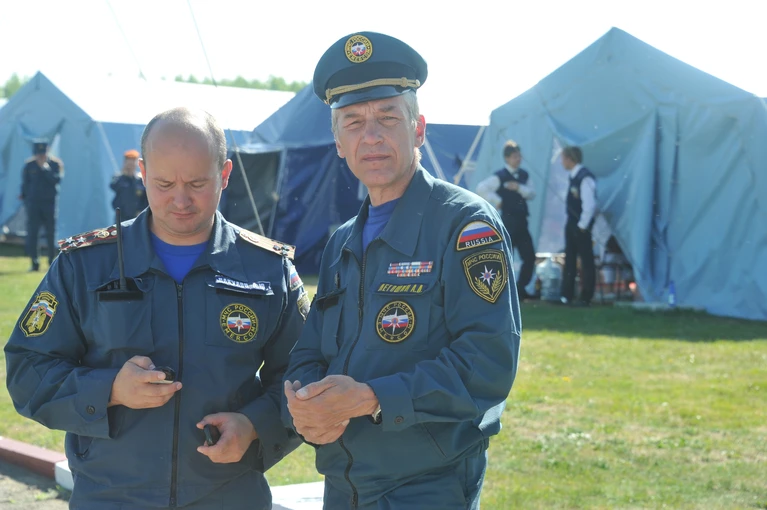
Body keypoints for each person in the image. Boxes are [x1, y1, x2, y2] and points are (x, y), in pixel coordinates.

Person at [5, 107, 307, 509]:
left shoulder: (267, 269)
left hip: (229, 497)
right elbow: (28, 369)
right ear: (143, 173)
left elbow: (306, 372)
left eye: (197, 183)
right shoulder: (86, 264)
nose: (180, 200)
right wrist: (110, 390)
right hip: (111, 497)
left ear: (225, 174)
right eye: (164, 183)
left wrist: (254, 425)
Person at [282, 32, 521, 510]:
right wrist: (304, 403)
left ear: (418, 129)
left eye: (388, 118)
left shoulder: (465, 226)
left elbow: (487, 362)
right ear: (338, 142)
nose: (371, 136)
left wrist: (372, 397)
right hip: (344, 484)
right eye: (353, 122)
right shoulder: (341, 242)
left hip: (425, 486)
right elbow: (309, 349)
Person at [475, 140, 537, 300]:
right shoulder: (500, 176)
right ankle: (504, 290)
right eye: (515, 156)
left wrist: (519, 187)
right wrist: (498, 200)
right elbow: (481, 188)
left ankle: (521, 288)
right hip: (508, 221)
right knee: (506, 256)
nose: (518, 159)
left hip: (522, 221)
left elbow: (532, 193)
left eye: (519, 156)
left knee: (529, 256)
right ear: (507, 158)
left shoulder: (524, 175)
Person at [560, 145, 597, 306]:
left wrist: (582, 225)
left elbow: (589, 205)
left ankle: (586, 295)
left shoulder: (584, 177)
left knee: (586, 260)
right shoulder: (573, 176)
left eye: (563, 158)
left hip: (581, 224)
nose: (562, 162)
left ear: (570, 159)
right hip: (572, 222)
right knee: (570, 259)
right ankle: (566, 295)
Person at [20, 140, 63, 271]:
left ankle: (51, 261)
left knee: (50, 233)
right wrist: (26, 199)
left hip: (49, 203)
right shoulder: (29, 165)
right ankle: (34, 262)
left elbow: (56, 180)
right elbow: (25, 184)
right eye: (38, 154)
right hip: (34, 204)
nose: (40, 156)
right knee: (33, 233)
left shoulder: (55, 164)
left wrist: (45, 168)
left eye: (42, 153)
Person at [110, 148, 148, 219]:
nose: (130, 165)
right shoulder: (119, 178)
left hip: (137, 216)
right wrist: (124, 174)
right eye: (128, 162)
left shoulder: (141, 179)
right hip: (121, 216)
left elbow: (146, 198)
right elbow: (113, 186)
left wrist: (141, 210)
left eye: (133, 162)